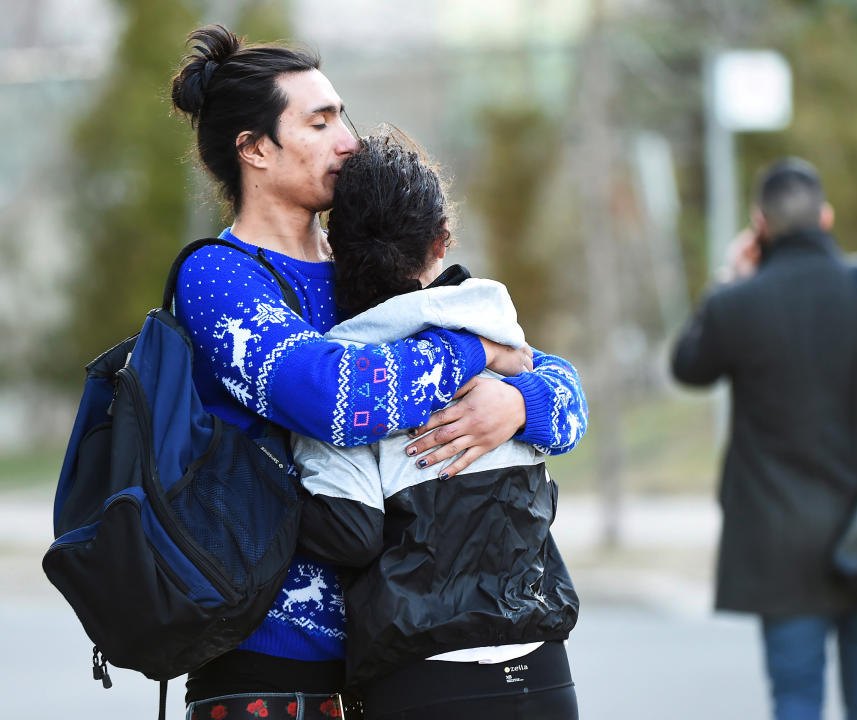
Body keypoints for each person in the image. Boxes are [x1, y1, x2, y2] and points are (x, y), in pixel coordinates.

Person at [169, 25, 587, 719]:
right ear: (255, 149)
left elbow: (564, 390)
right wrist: (477, 355)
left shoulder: (360, 268)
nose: (349, 141)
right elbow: (334, 398)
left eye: (345, 116)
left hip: (386, 661)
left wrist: (518, 403)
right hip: (271, 664)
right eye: (321, 121)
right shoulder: (222, 276)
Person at [292, 133, 582, 720]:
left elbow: (351, 531)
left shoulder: (343, 369)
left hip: (424, 674)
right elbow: (567, 407)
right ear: (441, 240)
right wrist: (525, 402)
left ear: (334, 248)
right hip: (542, 667)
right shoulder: (500, 332)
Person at [671, 158, 857, 720]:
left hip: (779, 543)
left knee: (795, 701)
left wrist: (730, 276)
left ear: (759, 225)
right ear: (825, 216)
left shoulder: (737, 305)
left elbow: (688, 366)